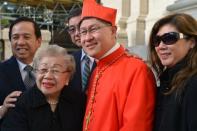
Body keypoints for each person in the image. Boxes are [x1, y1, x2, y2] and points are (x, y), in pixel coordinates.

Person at [79, 0, 156, 131]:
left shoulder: (136, 69)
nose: (87, 38)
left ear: (113, 31)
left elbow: (136, 126)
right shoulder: (97, 69)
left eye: (93, 29)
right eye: (83, 32)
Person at [1, 45, 85, 131]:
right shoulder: (20, 103)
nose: (48, 76)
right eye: (43, 70)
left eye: (55, 71)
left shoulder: (79, 101)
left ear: (67, 77)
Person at [148, 13, 197, 131]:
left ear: (192, 42)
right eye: (157, 40)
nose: (160, 46)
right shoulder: (166, 82)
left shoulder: (194, 84)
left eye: (169, 38)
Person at [0, 17, 41, 125]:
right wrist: (2, 109)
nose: (20, 42)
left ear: (38, 41)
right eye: (15, 37)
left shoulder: (47, 71)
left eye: (26, 37)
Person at [67, 7, 95, 93]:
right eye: (72, 29)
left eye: (81, 27)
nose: (77, 33)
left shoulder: (107, 58)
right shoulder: (68, 60)